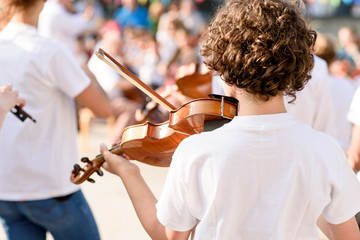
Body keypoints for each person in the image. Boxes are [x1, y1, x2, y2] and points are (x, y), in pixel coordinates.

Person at [100, 0, 360, 239]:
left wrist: (129, 173)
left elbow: (168, 236)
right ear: (299, 65)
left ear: (223, 69)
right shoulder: (325, 150)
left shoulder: (196, 151)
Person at [0, 0, 112, 239]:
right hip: (50, 186)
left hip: (6, 189)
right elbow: (104, 109)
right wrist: (84, 69)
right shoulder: (50, 51)